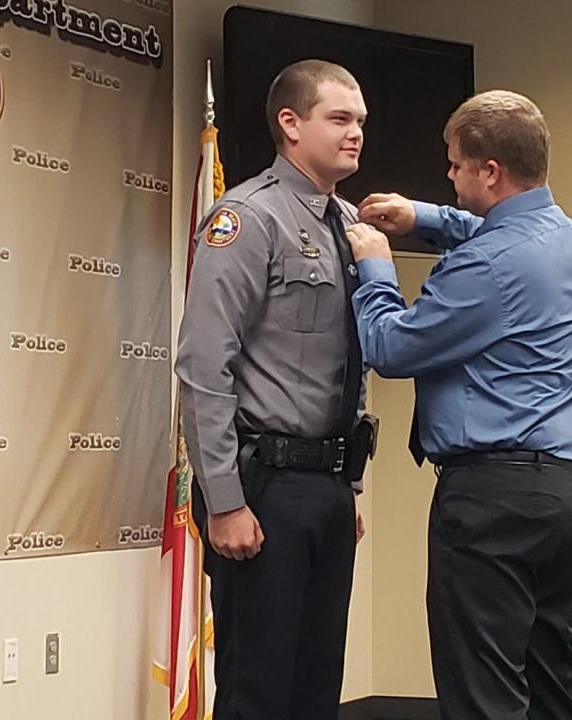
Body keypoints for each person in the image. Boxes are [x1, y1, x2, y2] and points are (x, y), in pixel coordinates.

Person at [346, 90, 572, 720]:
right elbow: (492, 230)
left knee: (483, 694)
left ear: (490, 171)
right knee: (548, 683)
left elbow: (392, 347)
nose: (450, 175)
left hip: (492, 502)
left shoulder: (488, 266)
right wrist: (424, 216)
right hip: (565, 497)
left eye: (456, 164)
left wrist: (376, 268)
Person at [175, 59, 377, 720]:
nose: (356, 134)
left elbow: (349, 363)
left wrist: (346, 487)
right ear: (290, 124)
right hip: (263, 489)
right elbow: (205, 366)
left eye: (360, 122)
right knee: (257, 689)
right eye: (340, 119)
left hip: (325, 485)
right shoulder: (246, 217)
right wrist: (224, 501)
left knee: (317, 687)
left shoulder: (346, 225)